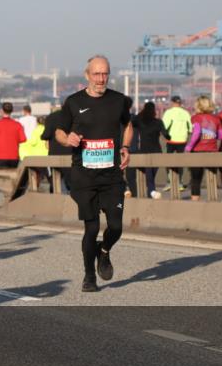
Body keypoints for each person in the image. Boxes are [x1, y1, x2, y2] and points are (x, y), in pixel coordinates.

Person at [55, 55, 132, 293]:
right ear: (87, 75)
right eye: (96, 74)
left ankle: (104, 251)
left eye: (105, 74)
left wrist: (126, 147)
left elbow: (128, 125)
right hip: (84, 176)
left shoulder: (119, 101)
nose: (101, 79)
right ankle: (89, 276)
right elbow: (59, 131)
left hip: (111, 176)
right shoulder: (74, 102)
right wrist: (67, 138)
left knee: (116, 227)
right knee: (91, 228)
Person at [185, 95, 222, 201]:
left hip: (197, 151)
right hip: (212, 151)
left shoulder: (195, 118)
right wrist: (211, 135)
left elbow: (196, 133)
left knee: (196, 179)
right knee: (212, 178)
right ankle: (213, 201)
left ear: (198, 106)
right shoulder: (216, 119)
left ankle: (195, 202)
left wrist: (189, 147)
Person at [129, 101, 170, 199]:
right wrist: (169, 135)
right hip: (157, 151)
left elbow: (131, 121)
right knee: (151, 174)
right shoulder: (158, 122)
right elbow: (167, 136)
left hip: (143, 151)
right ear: (154, 110)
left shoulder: (139, 121)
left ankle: (150, 191)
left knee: (149, 173)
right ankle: (151, 191)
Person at [161, 95, 192, 191]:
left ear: (172, 102)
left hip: (171, 140)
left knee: (167, 161)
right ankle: (180, 183)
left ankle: (170, 182)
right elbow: (190, 128)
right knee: (180, 162)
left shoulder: (168, 113)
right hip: (182, 140)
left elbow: (164, 127)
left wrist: (166, 137)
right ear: (180, 103)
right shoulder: (186, 113)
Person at [42, 105, 72, 193]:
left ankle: (56, 201)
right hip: (70, 153)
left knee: (55, 182)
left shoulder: (51, 117)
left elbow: (46, 135)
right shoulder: (74, 117)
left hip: (54, 153)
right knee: (71, 183)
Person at [0, 102, 27, 168]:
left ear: (2, 111)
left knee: (1, 176)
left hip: (1, 157)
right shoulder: (18, 125)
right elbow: (23, 139)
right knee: (13, 177)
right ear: (12, 111)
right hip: (14, 156)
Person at [19, 114, 49, 189]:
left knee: (36, 174)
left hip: (37, 156)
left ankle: (36, 188)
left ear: (37, 123)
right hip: (46, 156)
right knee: (48, 176)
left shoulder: (36, 131)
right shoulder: (47, 130)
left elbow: (33, 142)